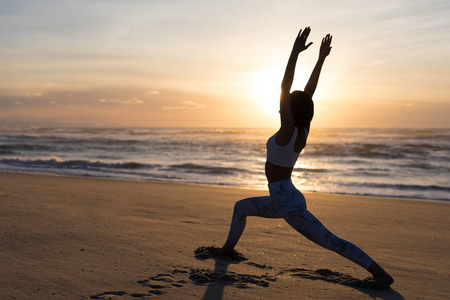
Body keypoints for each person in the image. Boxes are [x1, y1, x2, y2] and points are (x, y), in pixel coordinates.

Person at [219, 27, 394, 285]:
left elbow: (285, 86)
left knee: (330, 241)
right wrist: (321, 59)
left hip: (288, 203)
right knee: (241, 207)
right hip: (284, 197)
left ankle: (380, 274)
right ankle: (226, 251)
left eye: (286, 105)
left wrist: (294, 53)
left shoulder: (288, 130)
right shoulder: (302, 129)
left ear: (289, 110)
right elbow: (308, 95)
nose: (282, 106)